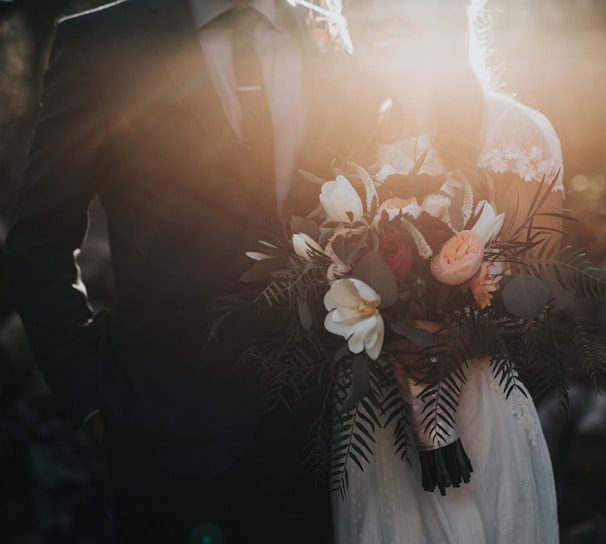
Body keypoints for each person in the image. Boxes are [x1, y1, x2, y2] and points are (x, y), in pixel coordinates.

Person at [5, 0, 338, 542]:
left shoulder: (326, 35)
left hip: (318, 437)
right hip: (164, 436)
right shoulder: (101, 43)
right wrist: (94, 400)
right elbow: (38, 242)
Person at [331, 0, 563, 542]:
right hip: (371, 433)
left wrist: (459, 336)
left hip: (477, 416)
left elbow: (543, 293)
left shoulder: (513, 131)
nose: (376, 15)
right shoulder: (345, 146)